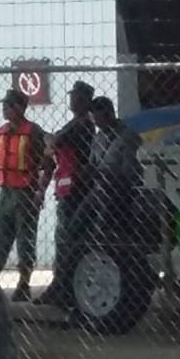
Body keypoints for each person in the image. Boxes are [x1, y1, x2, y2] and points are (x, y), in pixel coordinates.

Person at [33, 81, 97, 308]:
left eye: (78, 97)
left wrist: (47, 140)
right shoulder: (77, 124)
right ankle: (61, 287)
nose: (72, 100)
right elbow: (50, 151)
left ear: (86, 100)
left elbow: (53, 142)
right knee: (66, 240)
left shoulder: (82, 126)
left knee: (67, 240)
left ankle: (63, 288)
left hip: (74, 191)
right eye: (72, 96)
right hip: (66, 188)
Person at [0, 89, 49, 302]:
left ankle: (24, 283)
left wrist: (40, 190)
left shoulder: (34, 132)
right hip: (6, 193)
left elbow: (47, 164)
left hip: (26, 193)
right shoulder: (1, 132)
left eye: (9, 105)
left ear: (20, 108)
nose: (4, 109)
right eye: (4, 105)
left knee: (25, 240)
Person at [66, 96, 143, 247]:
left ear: (109, 114)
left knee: (101, 229)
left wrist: (101, 173)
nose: (96, 124)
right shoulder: (98, 137)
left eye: (98, 119)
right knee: (74, 226)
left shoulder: (128, 137)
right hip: (97, 190)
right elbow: (92, 163)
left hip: (119, 193)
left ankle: (100, 243)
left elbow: (130, 174)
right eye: (94, 120)